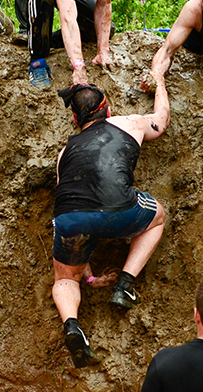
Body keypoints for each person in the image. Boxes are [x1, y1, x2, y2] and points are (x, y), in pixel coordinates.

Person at [51, 82, 169, 367]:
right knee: (157, 217)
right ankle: (125, 284)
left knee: (66, 278)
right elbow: (162, 118)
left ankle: (72, 325)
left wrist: (88, 277)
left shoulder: (64, 153)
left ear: (75, 119)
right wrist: (160, 83)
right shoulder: (131, 123)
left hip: (69, 219)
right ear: (108, 108)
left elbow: (71, 203)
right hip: (119, 210)